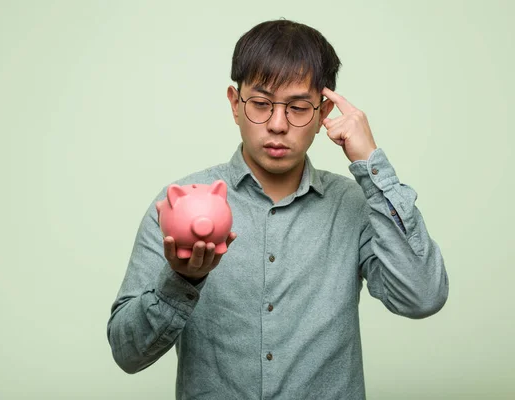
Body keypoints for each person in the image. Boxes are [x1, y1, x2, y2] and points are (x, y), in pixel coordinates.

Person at [107, 19, 449, 400]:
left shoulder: (355, 204)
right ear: (235, 105)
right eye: (261, 103)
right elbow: (127, 352)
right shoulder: (177, 203)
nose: (278, 124)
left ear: (323, 114)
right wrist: (181, 281)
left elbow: (422, 297)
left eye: (299, 107)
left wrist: (373, 165)